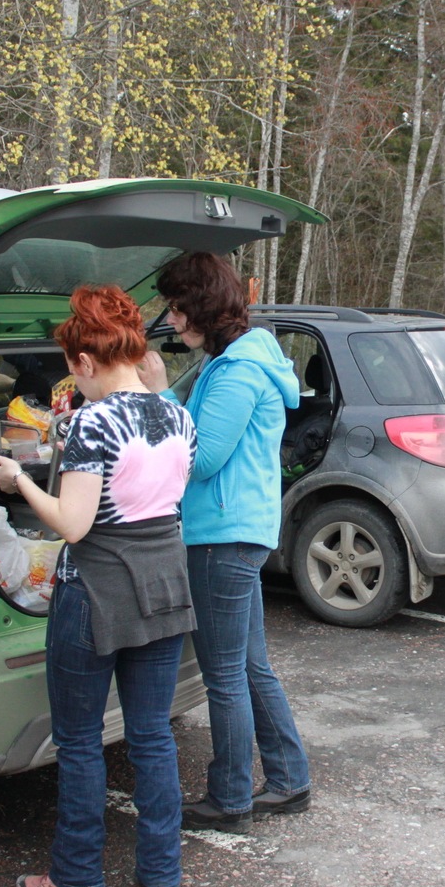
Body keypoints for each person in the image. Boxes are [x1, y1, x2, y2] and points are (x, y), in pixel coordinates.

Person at [0, 286, 197, 887]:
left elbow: (73, 525)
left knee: (79, 741)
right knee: (152, 737)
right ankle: (161, 873)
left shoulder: (92, 421)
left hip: (98, 590)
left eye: (70, 368)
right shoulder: (178, 416)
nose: (71, 381)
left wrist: (19, 479)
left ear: (85, 360)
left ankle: (77, 874)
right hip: (165, 584)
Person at [144, 252, 312, 833]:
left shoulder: (239, 371)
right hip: (237, 531)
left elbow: (204, 457)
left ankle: (230, 798)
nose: (170, 320)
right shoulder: (234, 363)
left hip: (222, 536)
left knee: (225, 677)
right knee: (249, 665)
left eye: (176, 306)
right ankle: (290, 779)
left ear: (202, 307)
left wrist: (162, 397)